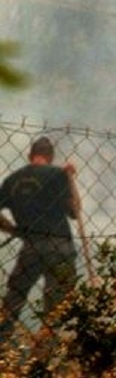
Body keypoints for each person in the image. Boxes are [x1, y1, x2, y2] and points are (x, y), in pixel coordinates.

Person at [0, 136, 79, 341]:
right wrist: (70, 178)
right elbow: (74, 212)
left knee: (14, 298)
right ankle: (44, 357)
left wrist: (14, 230)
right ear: (51, 157)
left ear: (30, 156)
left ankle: (2, 347)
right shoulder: (57, 175)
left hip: (31, 246)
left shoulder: (12, 180)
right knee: (55, 309)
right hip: (60, 245)